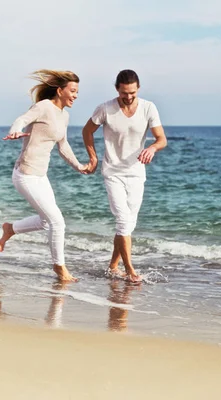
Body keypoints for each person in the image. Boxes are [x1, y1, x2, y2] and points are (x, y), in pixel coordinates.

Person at [0, 69, 90, 282]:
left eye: (77, 92)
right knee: (57, 221)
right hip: (25, 174)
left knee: (48, 222)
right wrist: (15, 130)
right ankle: (60, 270)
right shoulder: (43, 107)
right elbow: (22, 119)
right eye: (72, 91)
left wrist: (79, 166)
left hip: (41, 176)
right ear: (60, 90)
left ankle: (10, 228)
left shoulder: (64, 115)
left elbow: (63, 145)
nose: (75, 96)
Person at [82, 69, 167, 282]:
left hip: (137, 173)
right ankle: (130, 271)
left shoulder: (148, 108)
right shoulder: (105, 109)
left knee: (129, 224)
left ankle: (112, 266)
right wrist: (93, 158)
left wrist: (152, 149)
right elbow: (87, 131)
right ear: (117, 89)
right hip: (113, 172)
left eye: (132, 93)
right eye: (124, 94)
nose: (128, 98)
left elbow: (161, 139)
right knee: (122, 219)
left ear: (138, 89)